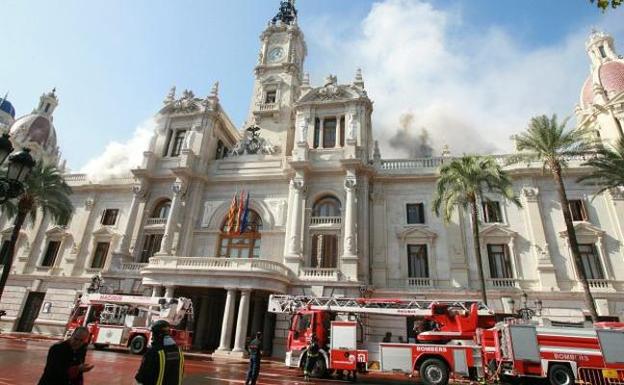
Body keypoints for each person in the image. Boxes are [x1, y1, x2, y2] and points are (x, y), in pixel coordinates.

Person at [135, 320, 184, 385]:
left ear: (156, 334)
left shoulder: (154, 352)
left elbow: (142, 376)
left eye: (153, 334)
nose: (152, 337)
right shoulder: (179, 351)